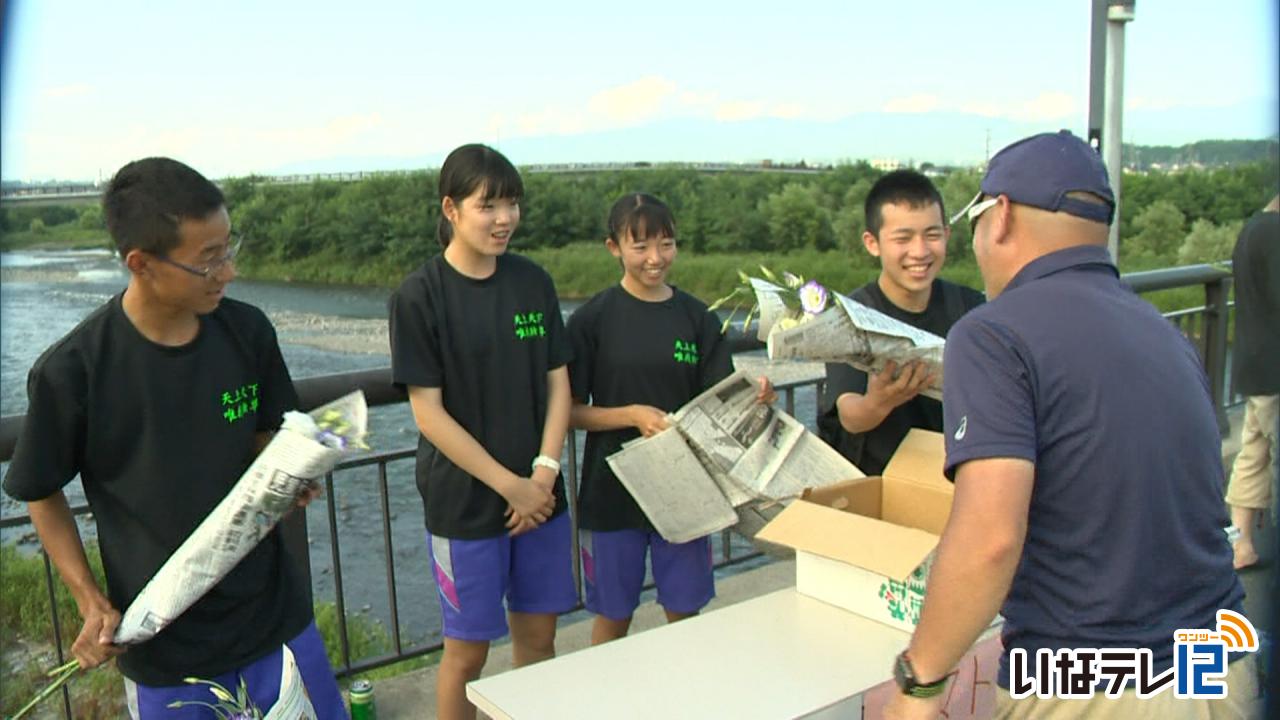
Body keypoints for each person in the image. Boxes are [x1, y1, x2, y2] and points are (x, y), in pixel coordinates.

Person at [884, 131, 1257, 719]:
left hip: (1098, 678)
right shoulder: (1161, 330)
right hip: (1218, 660)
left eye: (974, 219)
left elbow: (990, 538)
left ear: (1000, 215)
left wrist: (919, 684)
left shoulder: (991, 334)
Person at [2, 158, 345, 719]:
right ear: (141, 263)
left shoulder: (247, 332)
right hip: (166, 643)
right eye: (209, 261)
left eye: (229, 248)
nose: (228, 272)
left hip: (275, 619)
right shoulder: (75, 371)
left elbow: (269, 437)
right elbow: (40, 488)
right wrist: (90, 600)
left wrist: (291, 473)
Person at [388, 144, 576, 720]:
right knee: (466, 656)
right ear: (451, 208)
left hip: (541, 501)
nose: (504, 219)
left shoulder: (531, 282)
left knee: (540, 645)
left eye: (512, 204)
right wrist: (510, 486)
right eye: (487, 205)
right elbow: (430, 415)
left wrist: (543, 474)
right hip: (465, 504)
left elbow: (559, 385)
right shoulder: (420, 296)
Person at [566, 193, 775, 645]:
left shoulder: (698, 318)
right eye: (640, 247)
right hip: (612, 492)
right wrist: (631, 416)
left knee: (685, 613)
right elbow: (568, 411)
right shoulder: (591, 321)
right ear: (613, 248)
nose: (655, 258)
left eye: (666, 244)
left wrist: (756, 398)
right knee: (612, 616)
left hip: (686, 486)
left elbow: (720, 402)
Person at [818, 170, 983, 475]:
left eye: (932, 235)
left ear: (946, 235)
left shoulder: (973, 310)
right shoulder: (850, 317)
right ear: (872, 243)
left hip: (957, 481)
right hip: (883, 484)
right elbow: (850, 415)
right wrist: (879, 402)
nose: (919, 252)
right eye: (903, 238)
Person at [1223, 194, 1279, 570]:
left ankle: (1240, 545)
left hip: (1253, 363)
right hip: (1275, 364)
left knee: (1254, 454)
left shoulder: (1253, 228)